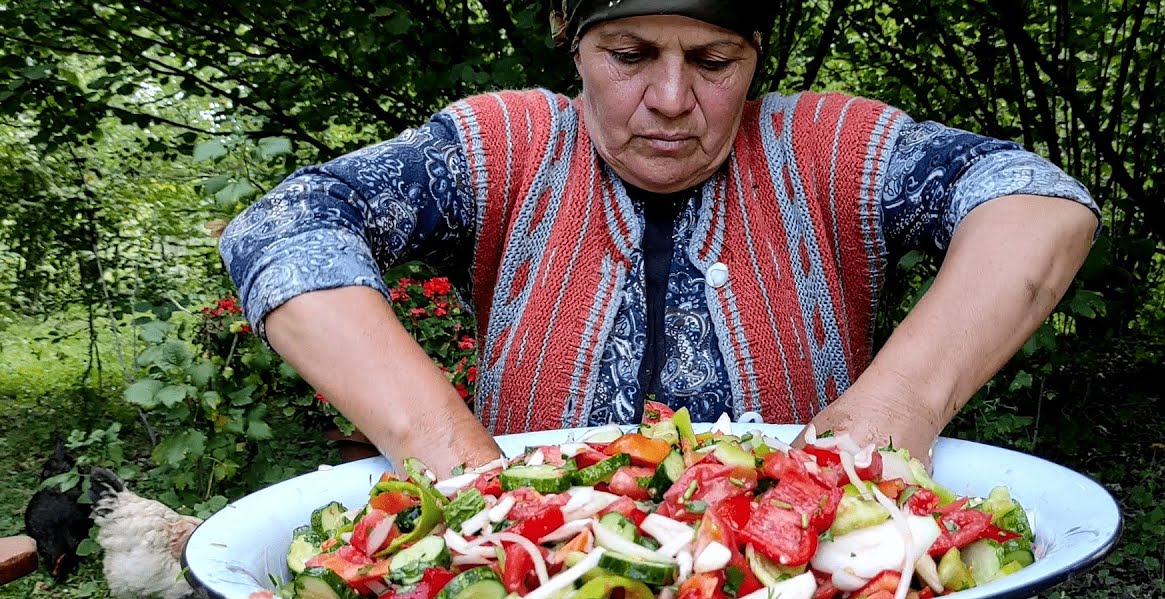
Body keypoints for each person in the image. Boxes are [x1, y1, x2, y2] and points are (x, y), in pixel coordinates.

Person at [219, 0, 1099, 480]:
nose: (673, 98)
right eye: (630, 55)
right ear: (573, 43)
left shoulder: (830, 148)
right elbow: (286, 225)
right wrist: (453, 461)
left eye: (713, 62)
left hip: (807, 596)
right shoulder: (506, 147)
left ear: (756, 55)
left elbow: (1037, 204)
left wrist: (897, 408)